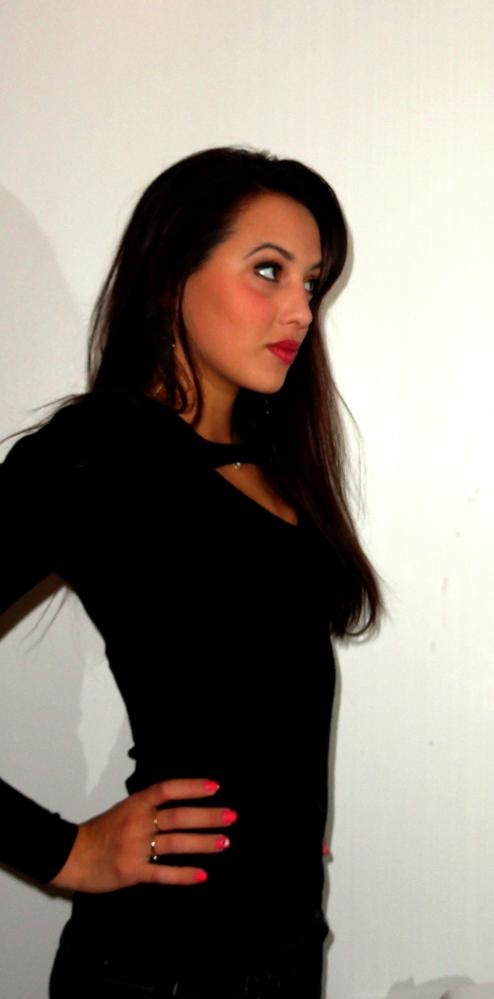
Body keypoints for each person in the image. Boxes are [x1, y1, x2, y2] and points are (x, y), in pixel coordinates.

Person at [0, 147, 382, 998]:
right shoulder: (97, 456)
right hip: (159, 967)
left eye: (311, 282)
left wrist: (282, 830)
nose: (300, 309)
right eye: (269, 271)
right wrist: (64, 850)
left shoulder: (271, 460)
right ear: (174, 269)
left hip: (285, 953)